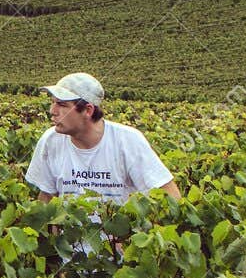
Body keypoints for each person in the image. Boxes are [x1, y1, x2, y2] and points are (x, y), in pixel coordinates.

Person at [24, 72, 181, 203]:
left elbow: (170, 195)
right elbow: (46, 197)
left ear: (88, 110)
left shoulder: (127, 140)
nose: (52, 110)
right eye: (53, 102)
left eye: (62, 105)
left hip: (118, 239)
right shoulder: (50, 140)